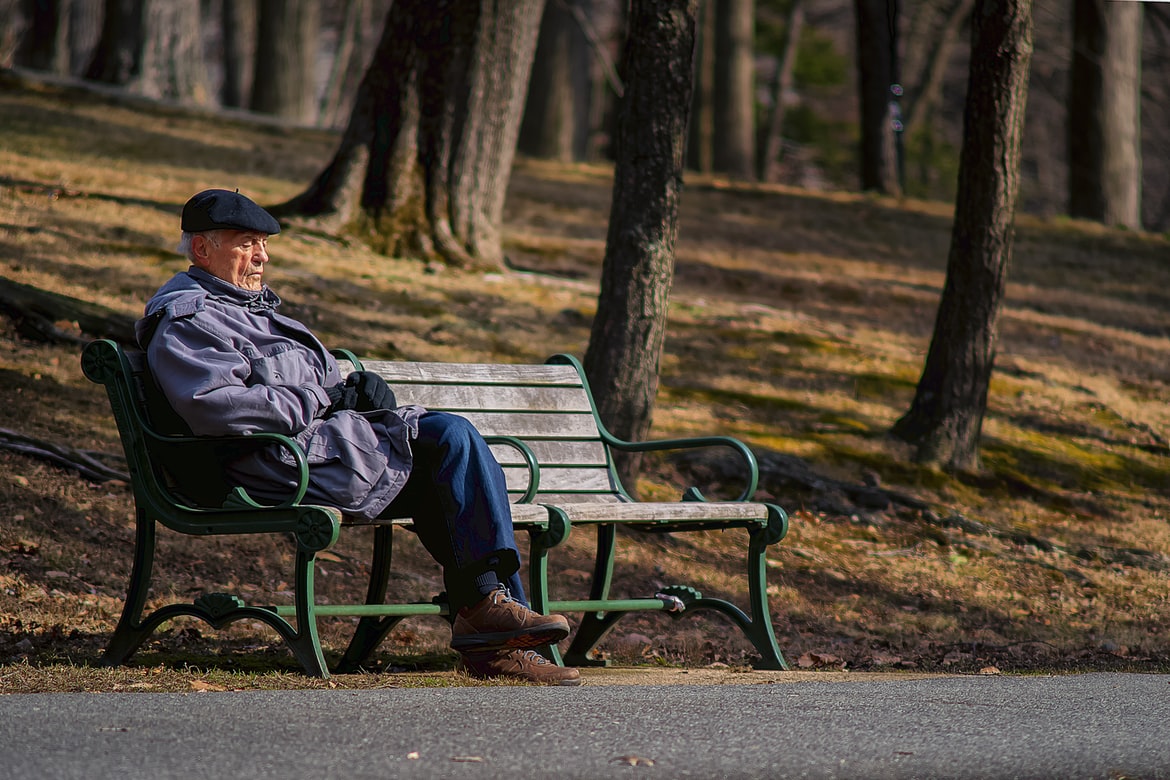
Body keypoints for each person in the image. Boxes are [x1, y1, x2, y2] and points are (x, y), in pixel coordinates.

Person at [135, 188, 580, 686]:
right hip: (272, 467)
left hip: (321, 453)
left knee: (455, 450)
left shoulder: (256, 310)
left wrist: (358, 390)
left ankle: (492, 622)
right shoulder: (191, 320)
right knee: (449, 442)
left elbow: (316, 384)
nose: (262, 256)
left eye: (263, 243)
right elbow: (217, 408)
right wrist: (325, 400)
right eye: (246, 243)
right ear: (202, 249)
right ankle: (492, 622)